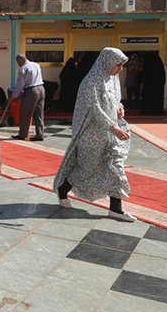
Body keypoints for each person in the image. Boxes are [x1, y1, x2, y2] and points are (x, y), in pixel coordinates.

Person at [53, 47, 136, 222]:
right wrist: (113, 127)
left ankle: (116, 209)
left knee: (116, 167)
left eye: (122, 65)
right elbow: (93, 109)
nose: (120, 69)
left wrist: (120, 109)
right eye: (118, 65)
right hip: (91, 135)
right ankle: (63, 189)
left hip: (110, 135)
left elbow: (116, 99)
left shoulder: (112, 79)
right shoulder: (90, 82)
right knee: (86, 169)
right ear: (107, 62)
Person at [11, 54, 45, 141]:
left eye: (17, 62)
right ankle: (40, 135)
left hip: (31, 91)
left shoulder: (23, 68)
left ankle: (22, 134)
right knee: (39, 114)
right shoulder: (36, 65)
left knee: (25, 113)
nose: (18, 64)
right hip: (41, 88)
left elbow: (20, 84)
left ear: (20, 60)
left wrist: (14, 95)